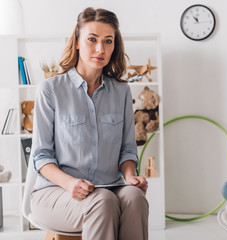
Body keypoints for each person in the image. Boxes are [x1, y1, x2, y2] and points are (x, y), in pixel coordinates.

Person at [30, 7, 148, 240]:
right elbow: (41, 156)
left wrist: (131, 176)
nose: (100, 49)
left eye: (108, 41)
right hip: (55, 193)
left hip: (109, 187)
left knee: (134, 198)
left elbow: (127, 150)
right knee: (102, 202)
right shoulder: (50, 90)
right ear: (76, 41)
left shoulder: (121, 91)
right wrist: (70, 183)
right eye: (92, 39)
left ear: (115, 46)